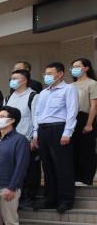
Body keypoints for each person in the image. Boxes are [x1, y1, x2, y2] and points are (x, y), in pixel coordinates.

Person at [32, 62, 78, 213]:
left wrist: (67, 133)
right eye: (45, 74)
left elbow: (72, 112)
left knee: (63, 165)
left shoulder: (68, 89)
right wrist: (36, 133)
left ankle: (66, 200)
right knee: (47, 166)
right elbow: (37, 114)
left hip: (59, 128)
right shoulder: (43, 93)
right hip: (43, 130)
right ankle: (50, 199)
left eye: (50, 74)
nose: (47, 76)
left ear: (60, 74)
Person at [6, 68, 40, 204]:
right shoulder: (8, 98)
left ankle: (30, 197)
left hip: (27, 139)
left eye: (16, 78)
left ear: (25, 80)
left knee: (29, 169)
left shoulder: (33, 96)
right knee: (14, 168)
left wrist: (34, 137)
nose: (12, 81)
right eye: (11, 79)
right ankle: (18, 197)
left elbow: (35, 118)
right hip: (10, 139)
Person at [71, 57, 97, 187]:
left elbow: (94, 105)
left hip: (85, 117)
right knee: (73, 149)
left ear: (86, 68)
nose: (74, 69)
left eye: (77, 66)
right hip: (72, 119)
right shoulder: (70, 86)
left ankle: (86, 178)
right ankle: (75, 177)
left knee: (86, 150)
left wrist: (89, 124)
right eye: (73, 67)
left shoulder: (92, 83)